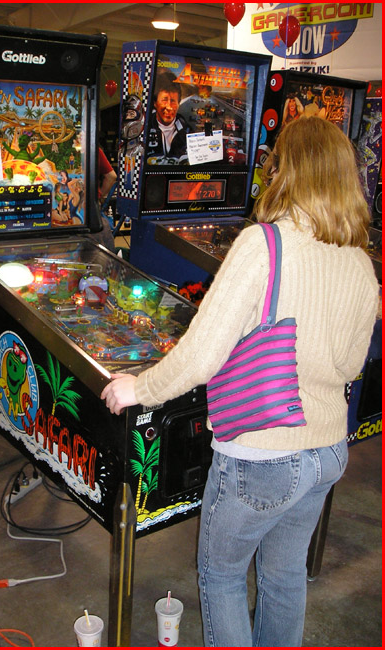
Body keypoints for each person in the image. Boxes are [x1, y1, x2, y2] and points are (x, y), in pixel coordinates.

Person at [101, 116, 379, 647]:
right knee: (285, 575)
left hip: (262, 453)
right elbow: (349, 367)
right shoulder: (361, 265)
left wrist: (141, 388)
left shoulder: (263, 244)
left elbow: (203, 353)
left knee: (223, 575)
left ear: (284, 170)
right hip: (326, 451)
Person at [146, 71, 189, 163]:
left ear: (179, 104)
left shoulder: (186, 129)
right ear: (155, 103)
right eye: (164, 100)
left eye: (173, 101)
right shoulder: (144, 127)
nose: (169, 107)